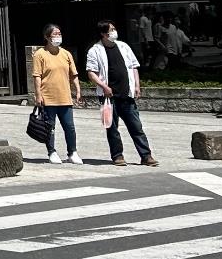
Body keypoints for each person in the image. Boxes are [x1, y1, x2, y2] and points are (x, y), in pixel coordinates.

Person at [84, 21, 158, 167]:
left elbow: (133, 66)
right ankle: (117, 156)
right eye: (111, 30)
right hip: (108, 97)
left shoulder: (123, 46)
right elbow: (91, 73)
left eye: (114, 29)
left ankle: (146, 156)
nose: (114, 32)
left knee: (136, 127)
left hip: (126, 94)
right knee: (112, 128)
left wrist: (137, 85)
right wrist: (104, 86)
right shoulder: (95, 50)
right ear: (103, 34)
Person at [32, 23, 83, 165]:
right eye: (55, 34)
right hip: (48, 97)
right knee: (50, 127)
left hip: (65, 97)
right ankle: (52, 152)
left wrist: (78, 89)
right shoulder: (40, 54)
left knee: (70, 127)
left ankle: (72, 152)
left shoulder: (66, 54)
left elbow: (74, 74)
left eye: (59, 34)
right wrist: (38, 95)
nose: (58, 36)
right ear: (46, 37)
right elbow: (37, 76)